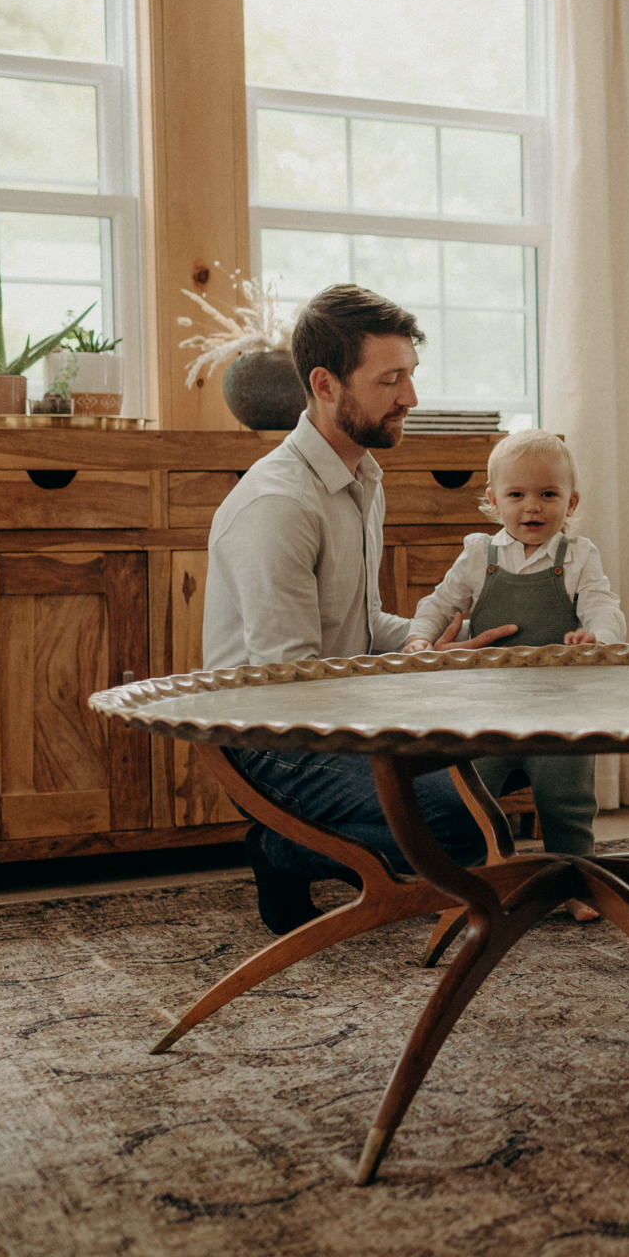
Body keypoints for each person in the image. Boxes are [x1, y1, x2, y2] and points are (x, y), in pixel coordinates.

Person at [203, 283, 517, 936]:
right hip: (273, 735)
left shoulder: (361, 477)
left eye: (410, 375)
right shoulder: (279, 505)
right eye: (390, 380)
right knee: (456, 826)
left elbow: (363, 625)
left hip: (331, 708)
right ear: (325, 384)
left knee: (496, 790)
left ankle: (356, 847)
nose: (411, 398)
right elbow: (291, 683)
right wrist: (406, 694)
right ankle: (280, 849)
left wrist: (428, 647)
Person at [402, 428, 625, 922]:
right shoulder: (480, 556)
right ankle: (484, 878)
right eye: (517, 495)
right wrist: (420, 637)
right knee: (472, 797)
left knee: (565, 800)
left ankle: (576, 881)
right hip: (488, 710)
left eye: (549, 494)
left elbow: (604, 606)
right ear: (493, 499)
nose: (533, 508)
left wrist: (597, 635)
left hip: (559, 709)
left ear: (571, 502)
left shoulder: (578, 557)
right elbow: (439, 604)